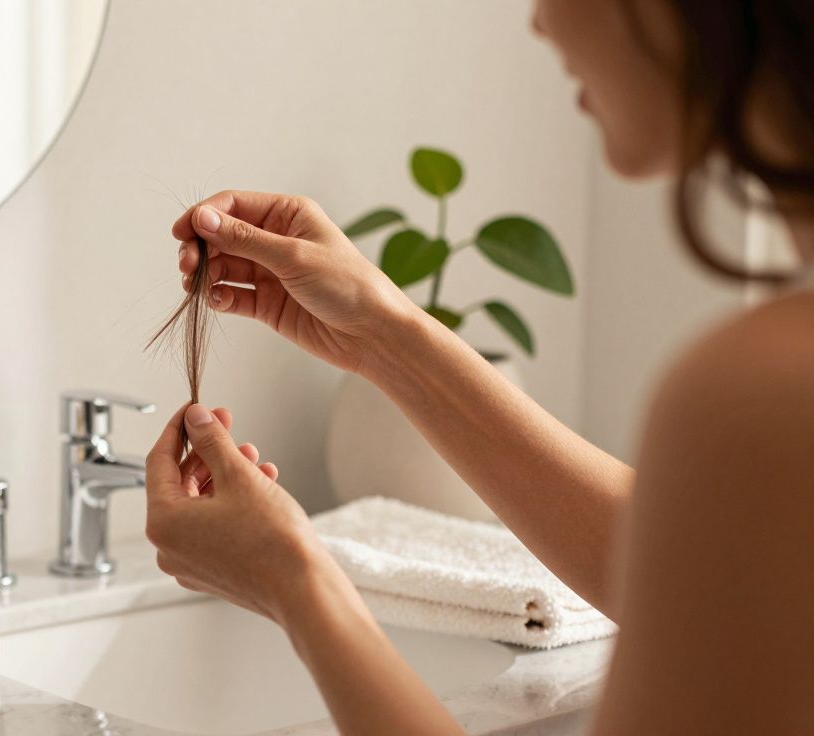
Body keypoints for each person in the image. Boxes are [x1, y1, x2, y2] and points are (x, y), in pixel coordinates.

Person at [146, 2, 814, 733]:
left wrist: (296, 582)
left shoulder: (764, 393)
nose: (540, 19)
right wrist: (381, 331)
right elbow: (693, 578)